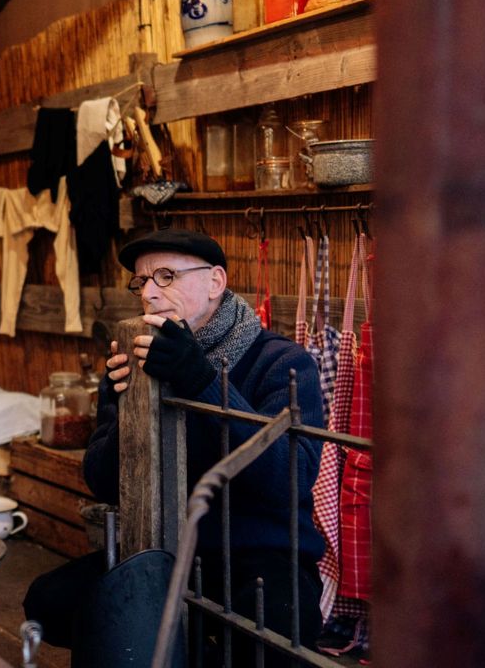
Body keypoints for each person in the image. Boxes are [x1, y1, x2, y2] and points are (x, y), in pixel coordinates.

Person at [23, 228, 324, 667]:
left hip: (257, 554)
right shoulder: (139, 357)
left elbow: (289, 478)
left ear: (215, 282)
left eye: (165, 276)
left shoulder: (281, 363)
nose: (148, 292)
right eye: (141, 281)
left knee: (275, 636)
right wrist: (124, 407)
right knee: (47, 600)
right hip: (163, 547)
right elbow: (102, 483)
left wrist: (202, 381)